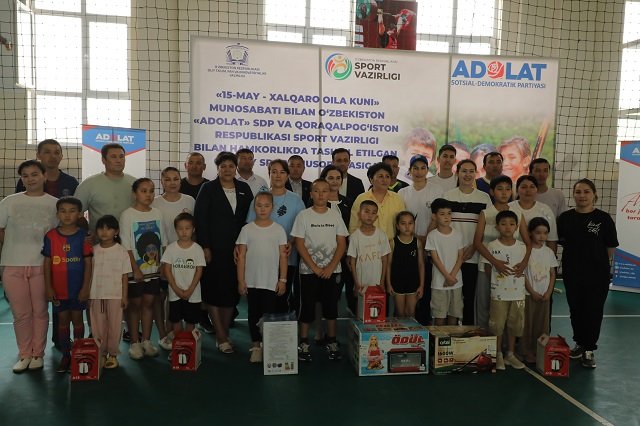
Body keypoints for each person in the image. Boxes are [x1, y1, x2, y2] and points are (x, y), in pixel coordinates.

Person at [15, 139, 80, 349]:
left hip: (64, 246)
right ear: (38, 155)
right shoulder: (25, 182)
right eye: (47, 152)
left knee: (63, 291)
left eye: (56, 152)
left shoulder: (70, 182)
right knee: (37, 301)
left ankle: (62, 340)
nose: (52, 156)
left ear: (61, 156)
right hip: (33, 248)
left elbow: (76, 214)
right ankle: (33, 346)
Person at [1, 160, 58, 373]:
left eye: (34, 174)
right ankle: (24, 354)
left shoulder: (54, 204)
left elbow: (59, 234)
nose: (30, 179)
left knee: (40, 312)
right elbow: (1, 229)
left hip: (41, 266)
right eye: (25, 175)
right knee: (21, 314)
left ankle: (38, 354)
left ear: (44, 176)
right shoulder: (9, 202)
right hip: (13, 266)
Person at [194, 152, 253, 354]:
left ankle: (224, 333)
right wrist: (205, 246)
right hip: (214, 250)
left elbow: (249, 219)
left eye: (231, 166)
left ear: (236, 168)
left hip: (238, 251)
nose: (227, 170)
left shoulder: (244, 189)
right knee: (213, 292)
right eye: (223, 166)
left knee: (231, 294)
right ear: (217, 168)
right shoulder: (208, 188)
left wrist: (246, 246)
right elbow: (200, 219)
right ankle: (220, 336)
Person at [557, 178, 618, 369]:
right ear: (573, 195)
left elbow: (610, 247)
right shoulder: (565, 218)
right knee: (576, 310)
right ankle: (579, 343)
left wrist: (596, 263)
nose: (582, 195)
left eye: (586, 191)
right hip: (572, 273)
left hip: (597, 275)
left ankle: (589, 349)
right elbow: (562, 242)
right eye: (578, 192)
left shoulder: (604, 219)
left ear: (594, 195)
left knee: (593, 311)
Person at [291, 179, 348, 362]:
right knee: (307, 307)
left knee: (331, 308)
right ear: (311, 194)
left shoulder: (335, 216)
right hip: (308, 272)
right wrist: (314, 267)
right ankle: (303, 343)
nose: (321, 194)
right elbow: (299, 243)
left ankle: (332, 342)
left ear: (330, 193)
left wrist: (331, 267)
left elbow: (342, 243)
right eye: (317, 191)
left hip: (332, 271)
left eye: (325, 191)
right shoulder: (303, 216)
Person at [246, 159, 305, 313]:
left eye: (282, 172)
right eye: (274, 172)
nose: (278, 176)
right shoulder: (260, 198)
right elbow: (250, 227)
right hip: (261, 259)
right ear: (269, 174)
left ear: (287, 175)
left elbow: (302, 227)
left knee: (281, 298)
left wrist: (292, 241)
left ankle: (279, 327)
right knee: (260, 301)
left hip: (287, 256)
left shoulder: (296, 200)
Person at [43, 197, 93, 373]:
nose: (67, 215)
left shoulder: (84, 237)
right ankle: (65, 355)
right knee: (63, 321)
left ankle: (78, 354)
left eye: (72, 211)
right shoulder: (50, 236)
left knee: (78, 319)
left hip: (78, 289)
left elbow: (88, 263)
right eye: (63, 211)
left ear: (79, 214)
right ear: (57, 214)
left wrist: (85, 287)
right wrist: (48, 287)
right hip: (58, 290)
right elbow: (47, 263)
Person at [237, 193, 288, 363]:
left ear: (272, 207)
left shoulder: (279, 230)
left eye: (266, 206)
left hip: (271, 282)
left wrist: (282, 280)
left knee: (269, 314)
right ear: (254, 207)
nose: (262, 209)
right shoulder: (246, 229)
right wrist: (241, 280)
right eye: (259, 205)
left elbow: (283, 256)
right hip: (251, 282)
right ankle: (256, 346)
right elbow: (241, 256)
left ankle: (269, 345)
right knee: (253, 313)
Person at [473, 175, 530, 328]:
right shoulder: (485, 213)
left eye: (507, 189)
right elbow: (477, 242)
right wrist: (495, 262)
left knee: (507, 309)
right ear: (492, 192)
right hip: (486, 267)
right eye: (500, 189)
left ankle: (502, 342)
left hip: (511, 270)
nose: (504, 193)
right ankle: (483, 340)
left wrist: (524, 263)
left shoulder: (518, 214)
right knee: (484, 306)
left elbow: (528, 243)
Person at [119, 178, 166, 360]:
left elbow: (163, 241)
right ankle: (135, 343)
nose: (148, 195)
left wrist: (163, 265)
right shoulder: (127, 215)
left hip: (154, 271)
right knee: (135, 305)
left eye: (151, 191)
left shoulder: (158, 213)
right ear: (134, 194)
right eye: (143, 191)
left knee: (149, 303)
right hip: (135, 271)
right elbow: (126, 246)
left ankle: (146, 340)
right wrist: (135, 269)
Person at [153, 167, 196, 349]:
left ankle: (179, 334)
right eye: (168, 179)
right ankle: (163, 333)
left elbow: (194, 230)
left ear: (180, 180)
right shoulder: (155, 203)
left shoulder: (189, 200)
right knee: (161, 297)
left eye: (176, 179)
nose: (172, 183)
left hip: (185, 260)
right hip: (162, 258)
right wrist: (161, 261)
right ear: (162, 182)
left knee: (180, 296)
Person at [444, 160, 491, 325]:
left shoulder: (484, 198)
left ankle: (468, 332)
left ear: (475, 174)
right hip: (451, 257)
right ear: (457, 173)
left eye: (471, 171)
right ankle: (450, 332)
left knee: (469, 297)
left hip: (473, 256)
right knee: (450, 297)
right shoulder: (447, 196)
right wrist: (455, 250)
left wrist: (474, 247)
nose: (467, 175)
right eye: (464, 171)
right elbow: (443, 226)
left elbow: (487, 227)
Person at [397, 154, 442, 324]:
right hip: (409, 246)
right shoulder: (402, 193)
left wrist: (425, 238)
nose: (419, 171)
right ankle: (403, 328)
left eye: (423, 168)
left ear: (427, 170)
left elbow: (438, 217)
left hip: (431, 245)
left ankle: (424, 326)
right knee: (409, 286)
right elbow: (401, 220)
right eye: (415, 168)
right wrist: (415, 239)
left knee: (426, 287)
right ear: (409, 171)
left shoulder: (436, 191)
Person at [483, 210, 527, 371]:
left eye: (511, 224)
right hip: (499, 294)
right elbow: (487, 268)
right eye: (503, 224)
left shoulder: (522, 247)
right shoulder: (492, 246)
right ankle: (498, 354)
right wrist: (497, 282)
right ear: (497, 227)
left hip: (518, 294)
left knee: (514, 324)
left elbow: (524, 268)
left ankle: (510, 354)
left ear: (516, 227)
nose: (508, 227)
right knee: (497, 325)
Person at [88, 215, 131, 370]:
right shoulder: (93, 251)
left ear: (116, 231)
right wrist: (87, 293)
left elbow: (125, 276)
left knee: (114, 326)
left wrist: (124, 296)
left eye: (108, 228)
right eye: (101, 228)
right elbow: (88, 274)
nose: (104, 232)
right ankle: (101, 354)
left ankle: (112, 354)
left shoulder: (121, 251)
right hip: (96, 294)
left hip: (115, 295)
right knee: (98, 327)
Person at [161, 213, 206, 361]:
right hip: (175, 294)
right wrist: (176, 289)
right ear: (175, 230)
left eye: (187, 228)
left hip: (193, 294)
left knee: (190, 322)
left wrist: (190, 290)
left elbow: (199, 271)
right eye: (180, 228)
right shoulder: (171, 249)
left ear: (193, 229)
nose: (184, 231)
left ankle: (188, 347)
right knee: (176, 321)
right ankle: (177, 347)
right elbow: (167, 270)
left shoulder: (197, 249)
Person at [179, 154, 214, 333]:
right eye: (191, 163)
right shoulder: (178, 185)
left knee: (204, 282)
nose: (194, 166)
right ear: (185, 165)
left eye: (198, 163)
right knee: (183, 281)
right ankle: (180, 318)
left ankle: (203, 317)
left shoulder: (210, 187)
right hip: (181, 244)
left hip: (203, 242)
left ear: (204, 166)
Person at [75, 143, 136, 234]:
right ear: (103, 160)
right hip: (99, 241)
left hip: (130, 239)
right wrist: (85, 234)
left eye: (121, 156)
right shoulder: (88, 184)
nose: (118, 160)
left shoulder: (135, 183)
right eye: (113, 157)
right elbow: (75, 212)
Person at [521, 217, 558, 363]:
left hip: (544, 296)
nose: (542, 236)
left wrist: (549, 292)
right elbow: (522, 274)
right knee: (527, 324)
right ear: (530, 233)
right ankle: (526, 351)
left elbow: (552, 273)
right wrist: (531, 291)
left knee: (542, 325)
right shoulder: (525, 250)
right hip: (528, 295)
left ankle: (541, 350)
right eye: (538, 233)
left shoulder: (549, 252)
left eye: (545, 233)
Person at [320, 164, 355, 318]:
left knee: (341, 288)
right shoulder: (317, 201)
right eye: (331, 178)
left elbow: (352, 227)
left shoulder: (348, 202)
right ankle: (322, 324)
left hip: (345, 252)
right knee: (324, 292)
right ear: (324, 179)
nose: (335, 181)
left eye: (338, 178)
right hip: (323, 253)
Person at [426, 198, 464, 326]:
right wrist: (447, 276)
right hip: (439, 282)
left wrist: (452, 276)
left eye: (449, 213)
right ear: (434, 216)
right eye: (442, 214)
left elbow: (460, 257)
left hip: (456, 281)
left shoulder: (458, 234)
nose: (446, 217)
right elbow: (435, 259)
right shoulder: (432, 236)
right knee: (439, 314)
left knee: (454, 313)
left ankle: (452, 338)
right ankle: (439, 339)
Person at [349, 162, 406, 241]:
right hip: (367, 244)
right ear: (371, 180)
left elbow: (403, 223)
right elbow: (354, 226)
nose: (384, 180)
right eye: (380, 176)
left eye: (387, 176)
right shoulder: (362, 198)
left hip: (391, 245)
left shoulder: (397, 198)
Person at [347, 200, 391, 296]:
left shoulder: (382, 235)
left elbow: (385, 260)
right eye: (366, 211)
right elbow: (352, 262)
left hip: (377, 283)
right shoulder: (354, 237)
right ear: (359, 214)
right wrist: (356, 283)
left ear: (376, 217)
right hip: (361, 284)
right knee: (362, 305)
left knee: (377, 304)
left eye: (373, 213)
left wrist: (382, 281)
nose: (370, 215)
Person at [387, 211, 425, 318]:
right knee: (400, 313)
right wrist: (388, 284)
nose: (407, 227)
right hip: (397, 282)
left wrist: (421, 285)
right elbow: (388, 265)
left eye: (410, 223)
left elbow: (421, 265)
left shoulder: (417, 243)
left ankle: (410, 330)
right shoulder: (392, 243)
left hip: (413, 282)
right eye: (403, 223)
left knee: (410, 313)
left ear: (414, 224)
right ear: (397, 226)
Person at [509, 175, 558, 253]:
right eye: (524, 187)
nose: (528, 190)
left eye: (532, 187)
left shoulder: (546, 210)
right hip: (513, 254)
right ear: (517, 190)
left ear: (537, 190)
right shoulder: (509, 208)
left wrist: (552, 258)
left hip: (540, 256)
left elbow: (552, 239)